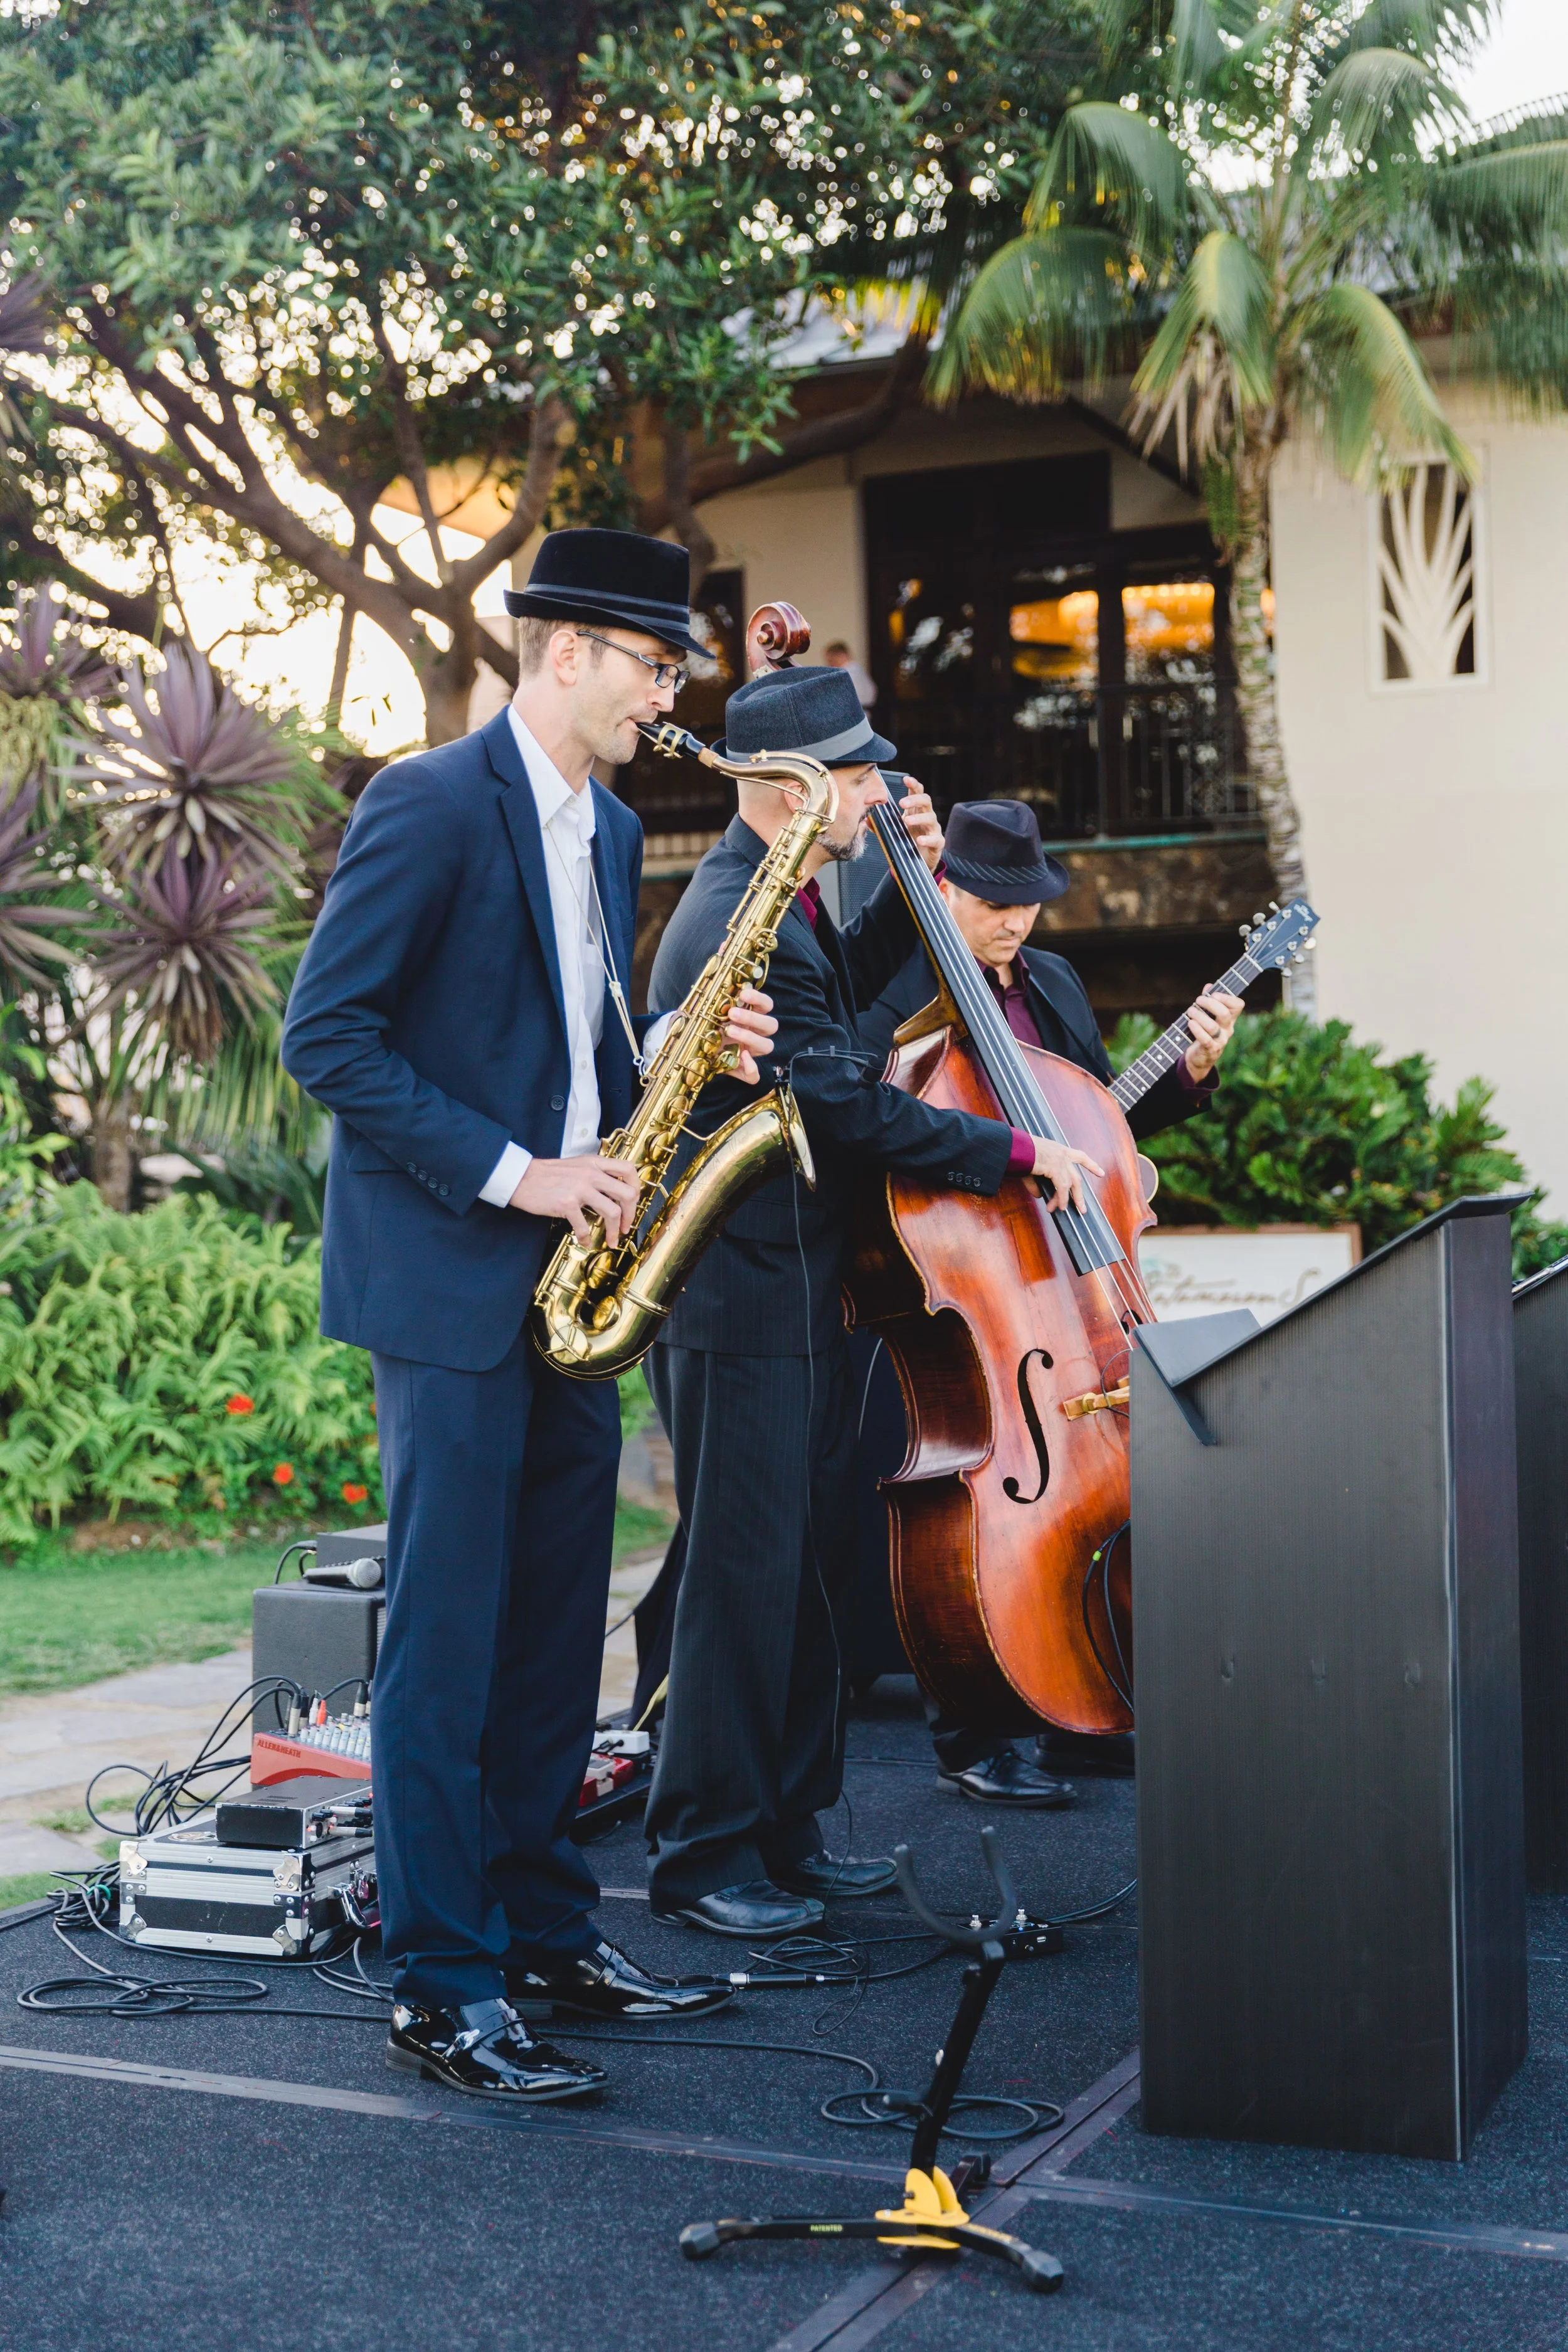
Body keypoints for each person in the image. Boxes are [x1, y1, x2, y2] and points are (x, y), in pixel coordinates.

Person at [281, 527, 778, 2102]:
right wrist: (520, 1177)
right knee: (447, 1641)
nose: (667, 697)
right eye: (653, 666)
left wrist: (690, 1047)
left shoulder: (610, 826)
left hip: (571, 1285)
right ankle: (442, 1982)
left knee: (560, 1626)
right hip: (451, 1278)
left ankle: (546, 1932)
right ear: (565, 651)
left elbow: (575, 1050)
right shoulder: (425, 802)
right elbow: (327, 1038)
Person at [641, 670, 1101, 1937]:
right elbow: (843, 1101)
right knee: (739, 1583)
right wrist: (1014, 1153)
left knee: (800, 1578)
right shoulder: (732, 909)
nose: (873, 793)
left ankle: (783, 1834)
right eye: (853, 776)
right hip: (735, 1292)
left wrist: (914, 887)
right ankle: (700, 1855)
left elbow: (845, 1006)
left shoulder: (786, 900)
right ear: (787, 785)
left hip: (794, 1285)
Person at [857, 797, 1242, 1801]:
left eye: (1028, 902)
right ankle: (974, 1726)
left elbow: (1097, 1119)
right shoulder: (900, 984)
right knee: (976, 1497)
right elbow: (878, 1125)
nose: (1014, 921)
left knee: (1113, 1484)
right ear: (944, 886)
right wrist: (1011, 1156)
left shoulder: (1055, 981)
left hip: (1064, 1291)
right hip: (964, 1276)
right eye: (994, 902)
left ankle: (1088, 1695)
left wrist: (1191, 1071)